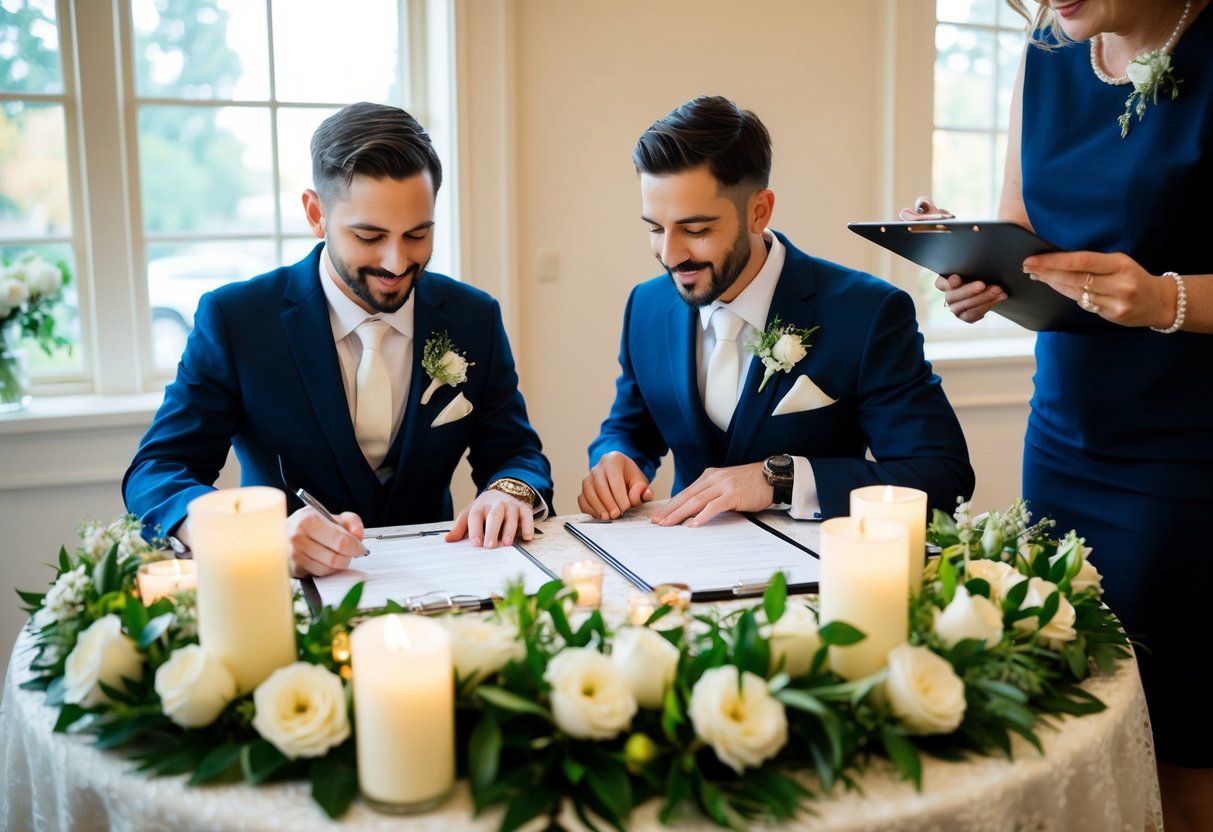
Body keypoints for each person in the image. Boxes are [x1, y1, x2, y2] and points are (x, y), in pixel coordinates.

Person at [913, 2, 1213, 827]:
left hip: (1186, 455)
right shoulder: (1047, 45)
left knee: (1180, 743)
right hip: (1064, 435)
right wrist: (978, 264)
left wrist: (1165, 300)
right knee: (1067, 712)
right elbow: (1025, 227)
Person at [124, 102, 553, 578]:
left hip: (442, 587)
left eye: (417, 235)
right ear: (316, 213)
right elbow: (158, 471)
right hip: (290, 597)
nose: (395, 263)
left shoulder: (474, 318)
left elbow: (516, 453)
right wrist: (256, 540)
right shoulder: (238, 319)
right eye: (369, 237)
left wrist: (508, 491)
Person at [580, 95, 975, 529]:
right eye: (655, 228)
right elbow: (631, 427)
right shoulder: (646, 307)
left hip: (816, 577)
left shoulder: (868, 313)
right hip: (682, 570)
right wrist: (614, 459)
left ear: (759, 212)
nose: (670, 255)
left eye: (695, 229)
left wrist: (781, 480)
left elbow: (942, 475)